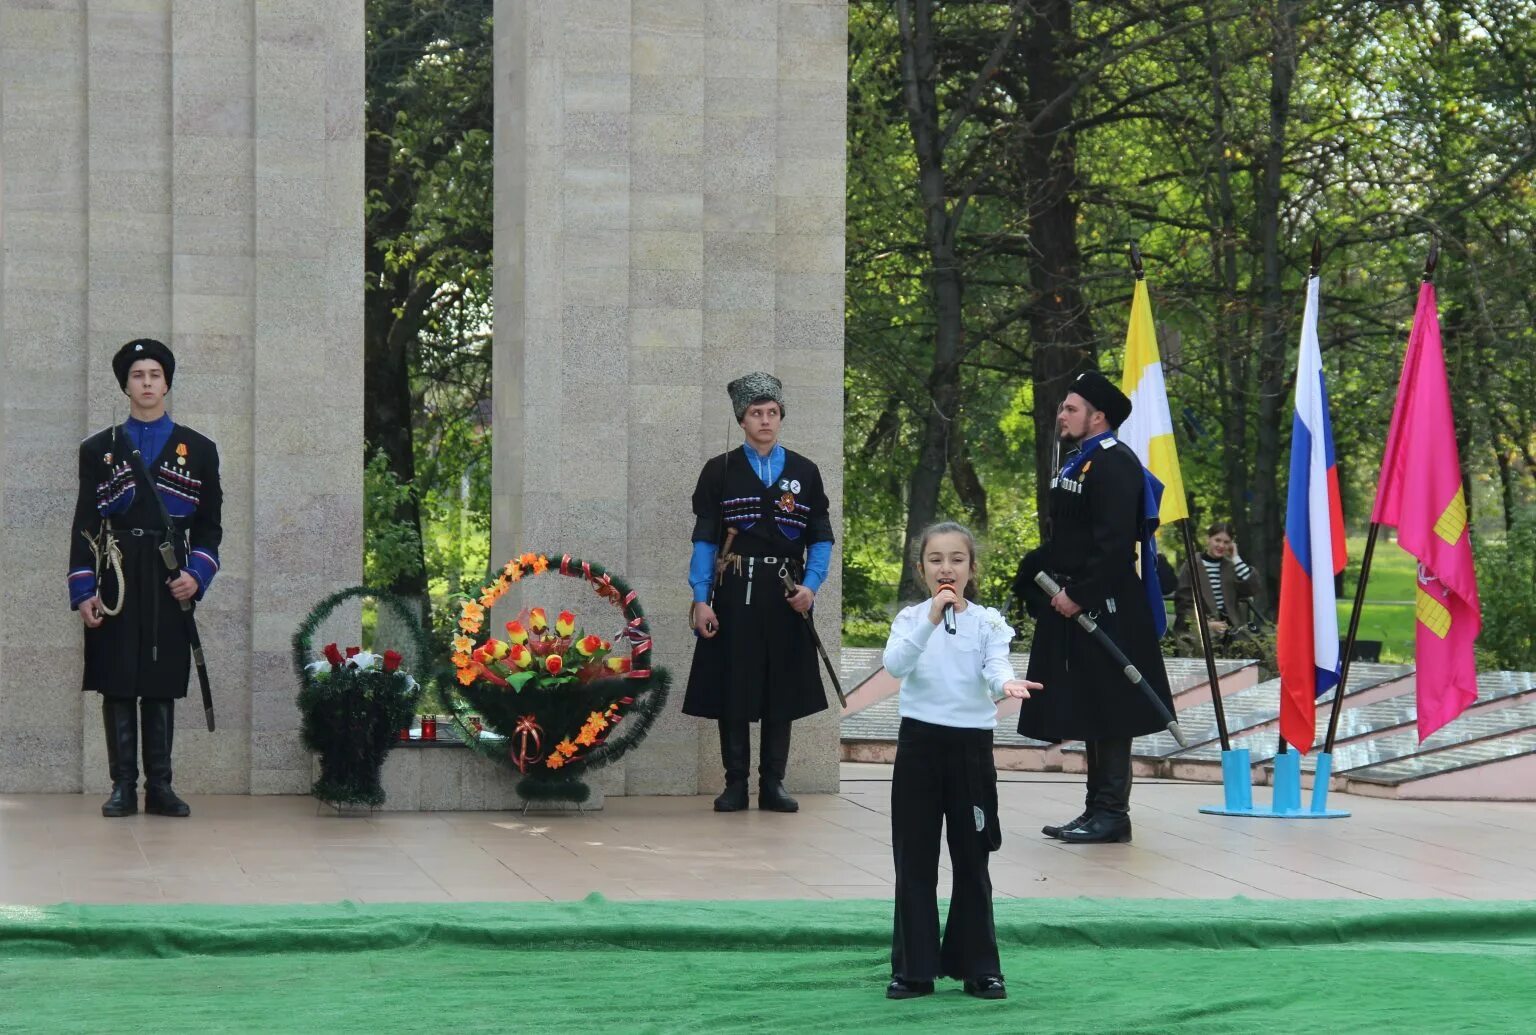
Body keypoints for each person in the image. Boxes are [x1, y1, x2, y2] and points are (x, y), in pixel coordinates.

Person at [1012, 370, 1173, 844]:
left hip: (1106, 603)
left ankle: (1113, 813)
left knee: (1112, 707)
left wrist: (1078, 594)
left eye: (1071, 408)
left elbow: (1115, 543)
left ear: (1097, 416)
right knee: (1092, 706)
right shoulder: (1079, 460)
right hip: (1077, 598)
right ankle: (1093, 810)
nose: (1062, 415)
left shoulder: (1114, 462)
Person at [882, 522, 1038, 1001]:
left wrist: (1004, 686)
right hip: (919, 747)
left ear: (972, 568)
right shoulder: (911, 619)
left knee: (972, 858)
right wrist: (931, 618)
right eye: (935, 559)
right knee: (915, 859)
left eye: (956, 559)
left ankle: (980, 967)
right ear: (921, 568)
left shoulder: (988, 622)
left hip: (970, 750)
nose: (946, 568)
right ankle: (915, 969)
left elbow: (996, 668)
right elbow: (895, 666)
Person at [69, 339, 223, 818]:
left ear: (167, 383)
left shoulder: (199, 449)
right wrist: (83, 590)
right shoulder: (99, 449)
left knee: (159, 679)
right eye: (138, 375)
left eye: (155, 374)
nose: (148, 383)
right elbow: (84, 523)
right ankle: (122, 788)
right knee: (117, 677)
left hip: (168, 572)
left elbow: (211, 526)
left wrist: (196, 575)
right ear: (126, 385)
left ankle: (160, 787)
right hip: (116, 571)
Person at [683, 372, 833, 813]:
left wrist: (811, 586)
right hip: (734, 593)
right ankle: (735, 784)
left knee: (780, 689)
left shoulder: (805, 471)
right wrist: (700, 596)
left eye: (772, 413)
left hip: (787, 596)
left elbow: (820, 536)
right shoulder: (720, 470)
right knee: (734, 686)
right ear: (742, 419)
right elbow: (705, 539)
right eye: (756, 413)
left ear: (781, 416)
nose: (765, 420)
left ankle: (773, 785)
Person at [1174, 521, 1261, 650]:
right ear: (1208, 539)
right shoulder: (1192, 565)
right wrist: (1206, 624)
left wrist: (1236, 558)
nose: (1221, 545)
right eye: (1217, 540)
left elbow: (1252, 588)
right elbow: (1183, 604)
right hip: (1200, 629)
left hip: (1231, 630)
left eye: (1226, 542)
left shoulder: (1230, 566)